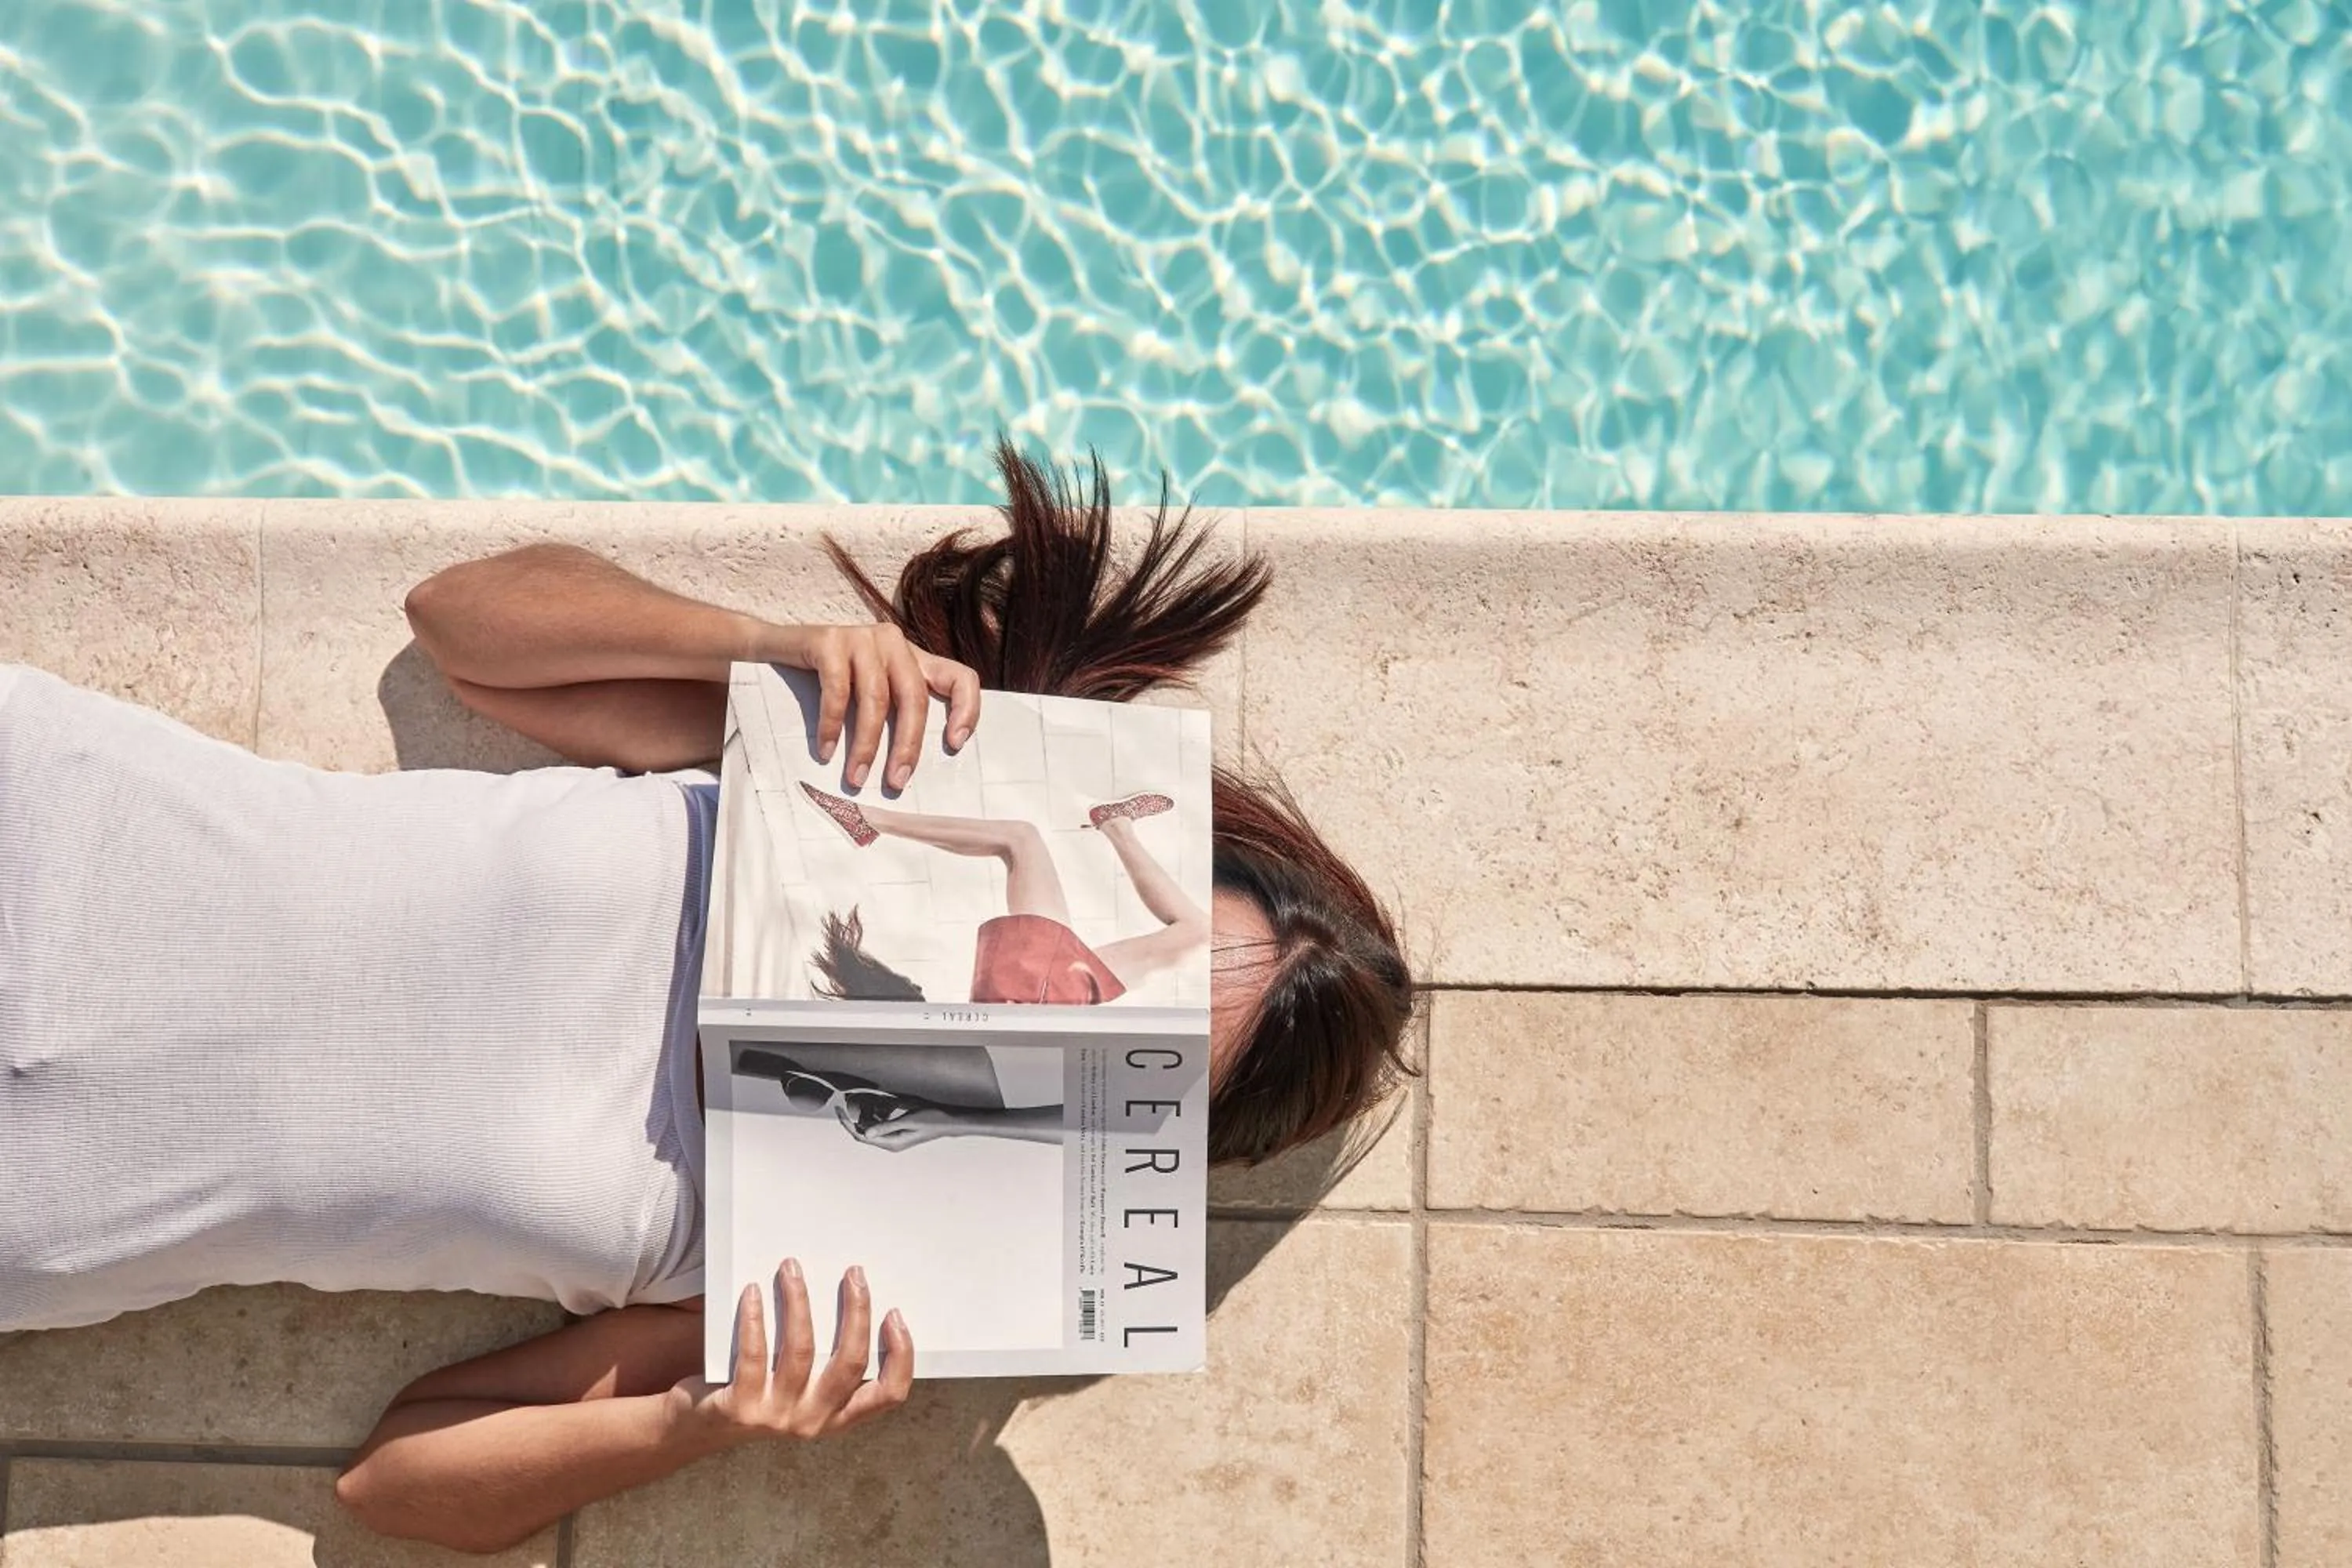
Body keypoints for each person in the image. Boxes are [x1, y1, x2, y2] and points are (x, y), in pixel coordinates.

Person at [0, 437, 1413, 1553]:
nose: (1055, 1011)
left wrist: (710, 1416)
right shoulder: (832, 783)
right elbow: (459, 621)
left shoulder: (825, 1259)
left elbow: (397, 1487)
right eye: (1104, 984)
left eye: (1122, 1068)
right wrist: (766, 650)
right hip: (54, 831)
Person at [797, 783, 1200, 1009]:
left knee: (1019, 839)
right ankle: (1116, 825)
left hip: (1031, 998)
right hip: (1031, 1001)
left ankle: (870, 820)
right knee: (1192, 934)